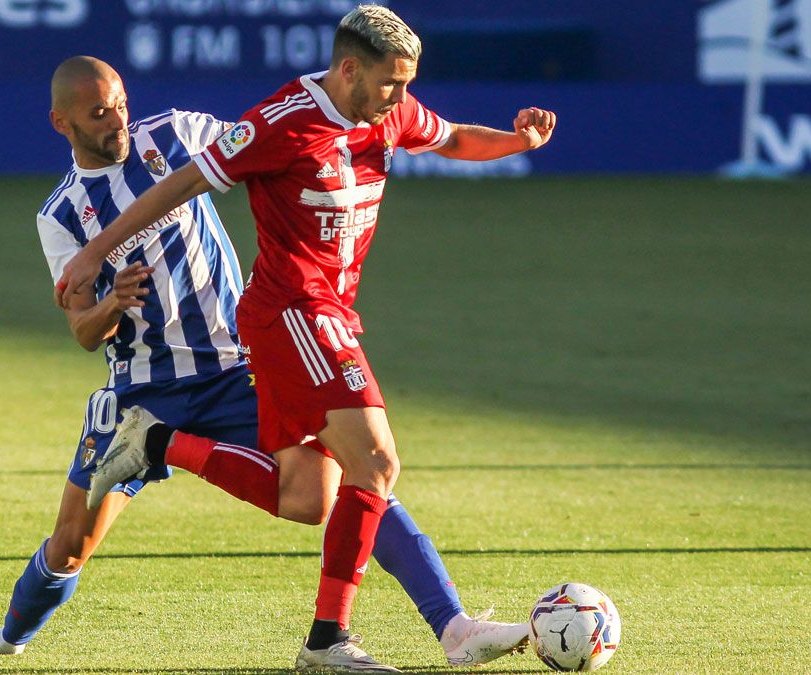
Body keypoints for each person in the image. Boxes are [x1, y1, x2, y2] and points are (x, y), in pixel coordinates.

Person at [0, 55, 528, 671]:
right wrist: (112, 301)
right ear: (62, 122)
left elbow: (257, 146)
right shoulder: (61, 215)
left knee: (351, 476)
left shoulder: (176, 134)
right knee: (70, 546)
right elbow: (82, 330)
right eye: (99, 114)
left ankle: (451, 621)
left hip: (237, 369)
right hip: (141, 391)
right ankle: (7, 638)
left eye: (121, 103)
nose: (117, 121)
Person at [59, 6, 557, 671]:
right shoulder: (282, 122)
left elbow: (453, 140)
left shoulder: (390, 111)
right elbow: (180, 183)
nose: (402, 99)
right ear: (348, 68)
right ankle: (371, 636)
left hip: (330, 315)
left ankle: (155, 441)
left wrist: (517, 141)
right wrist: (95, 252)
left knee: (308, 496)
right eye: (390, 83)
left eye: (407, 84)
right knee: (376, 462)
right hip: (290, 313)